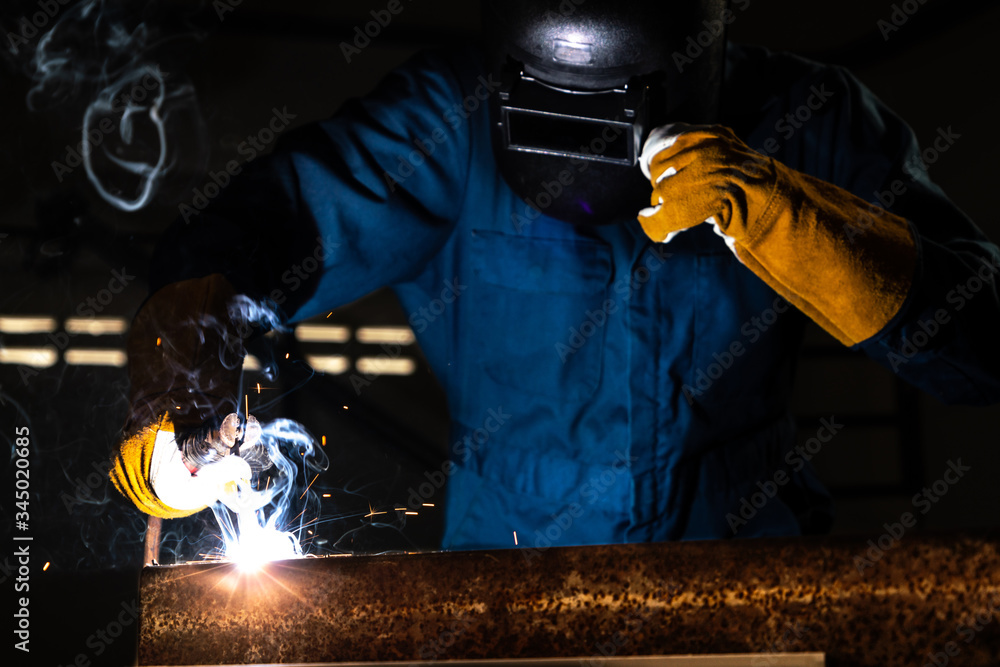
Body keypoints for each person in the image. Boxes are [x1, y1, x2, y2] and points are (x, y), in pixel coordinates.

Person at [109, 0, 1000, 548]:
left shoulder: (809, 118)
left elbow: (980, 340)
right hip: (502, 582)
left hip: (738, 564)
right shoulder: (453, 118)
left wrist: (792, 215)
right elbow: (283, 214)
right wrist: (193, 325)